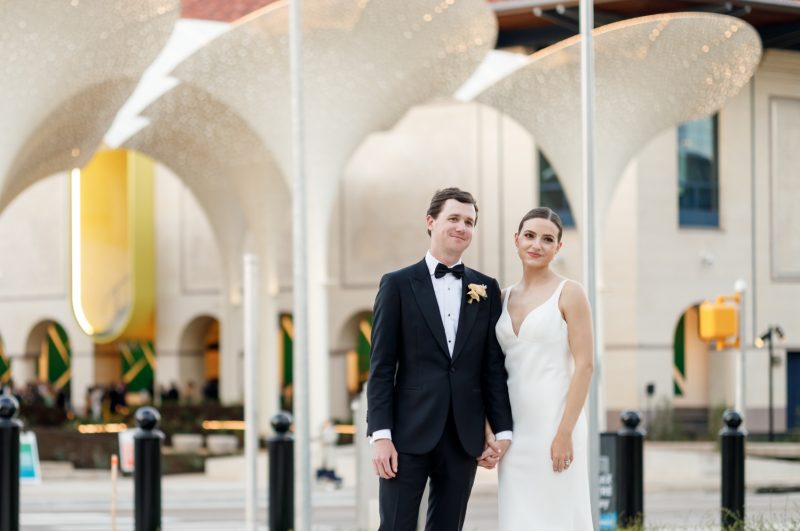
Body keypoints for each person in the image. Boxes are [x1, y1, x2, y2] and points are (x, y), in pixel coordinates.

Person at [367, 187, 513, 531]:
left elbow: (491, 367)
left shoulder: (487, 288)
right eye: (454, 219)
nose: (462, 227)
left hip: (463, 435)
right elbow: (382, 367)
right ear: (431, 222)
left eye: (469, 221)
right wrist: (380, 435)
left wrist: (502, 428)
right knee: (395, 526)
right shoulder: (397, 284)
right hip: (406, 433)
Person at [482, 207, 594, 530]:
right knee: (519, 520)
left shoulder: (570, 293)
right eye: (530, 236)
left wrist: (564, 433)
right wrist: (492, 429)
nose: (537, 245)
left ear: (558, 247)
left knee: (559, 517)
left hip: (556, 425)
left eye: (548, 239)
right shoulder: (500, 298)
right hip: (515, 432)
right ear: (517, 241)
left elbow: (585, 366)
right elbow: (492, 373)